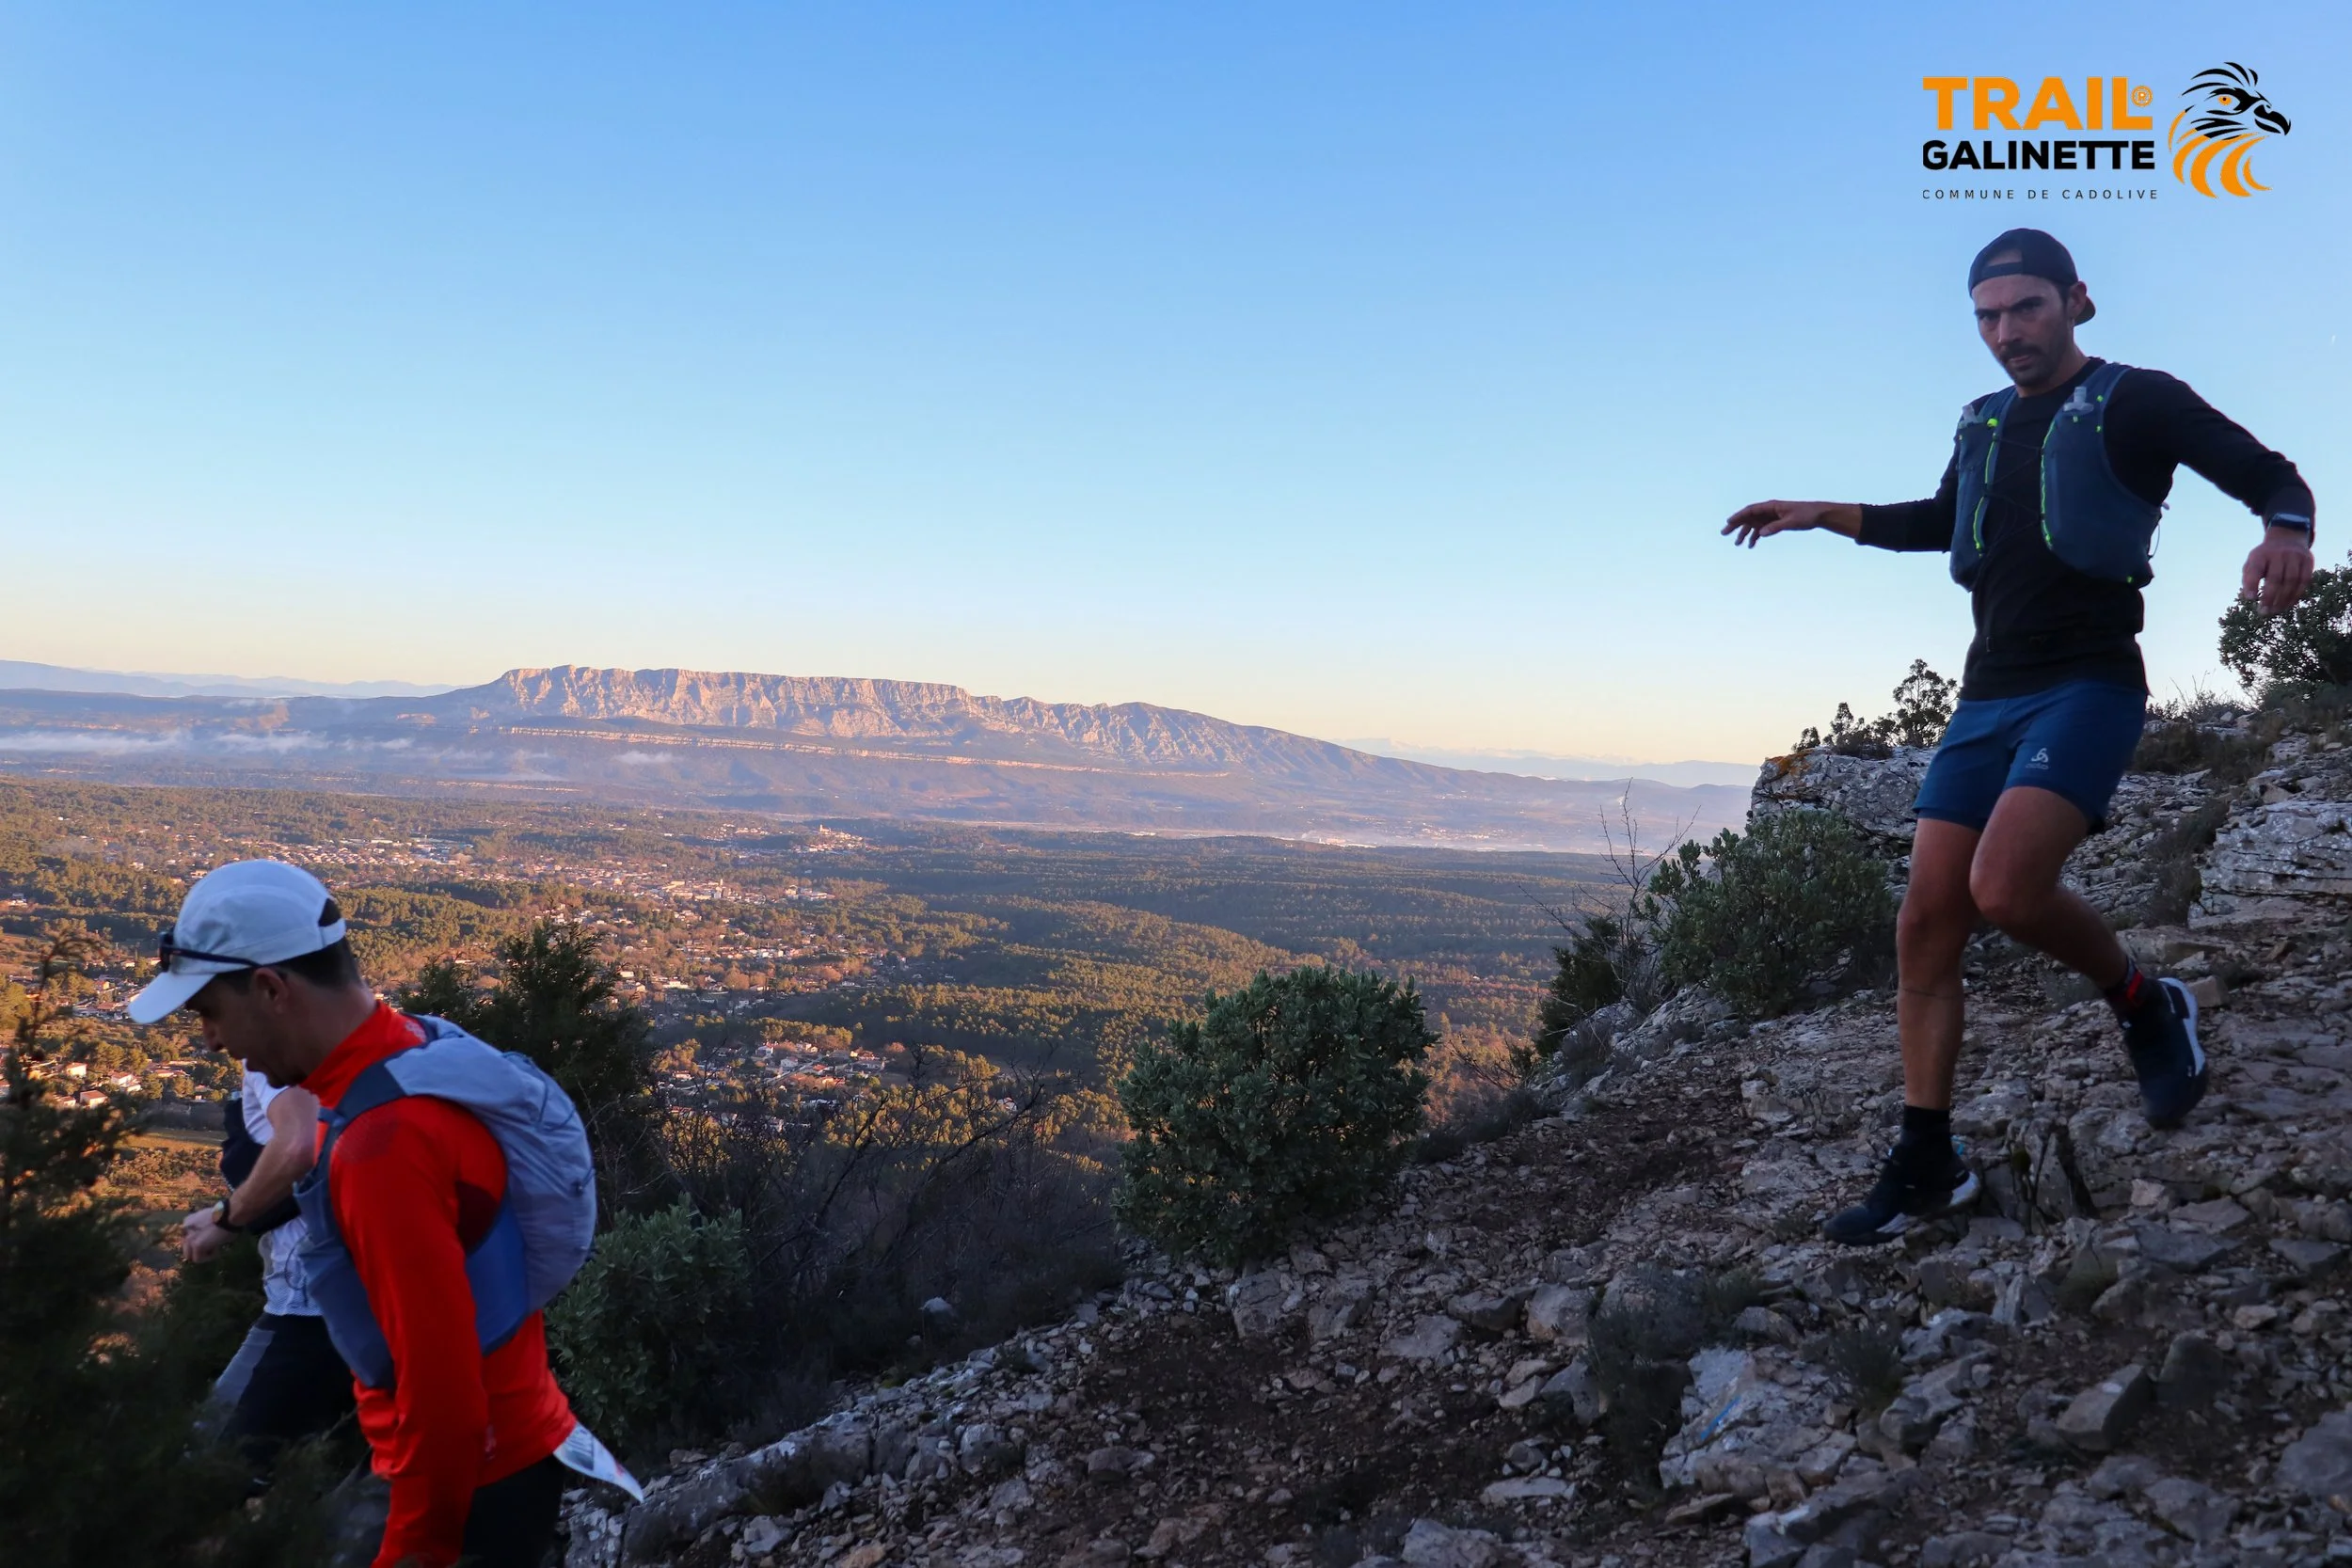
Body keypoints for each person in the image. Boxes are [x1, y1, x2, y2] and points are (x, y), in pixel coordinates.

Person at [1724, 228, 2316, 1245]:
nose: (2006, 334)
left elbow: (2266, 471)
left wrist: (2285, 532)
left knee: (2004, 889)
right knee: (1924, 923)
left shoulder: (2136, 398)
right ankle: (1926, 1159)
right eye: (1987, 317)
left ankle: (2143, 1001)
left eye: (2025, 309)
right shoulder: (1982, 421)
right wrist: (1824, 512)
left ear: (2075, 301)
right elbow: (1944, 521)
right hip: (1986, 693)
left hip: (2086, 683)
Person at [130, 860, 604, 1567]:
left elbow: (441, 1396)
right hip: (502, 1460)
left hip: (470, 1488)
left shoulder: (384, 1144)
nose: (210, 1040)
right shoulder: (412, 1047)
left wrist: (413, 1547)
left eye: (208, 1011)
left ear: (270, 988)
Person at [183, 1062, 356, 1479]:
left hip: (311, 1299)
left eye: (211, 1011)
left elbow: (302, 1148)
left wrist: (227, 1219)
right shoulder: (380, 1043)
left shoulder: (274, 1055)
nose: (211, 1039)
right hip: (368, 1292)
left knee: (211, 1466)